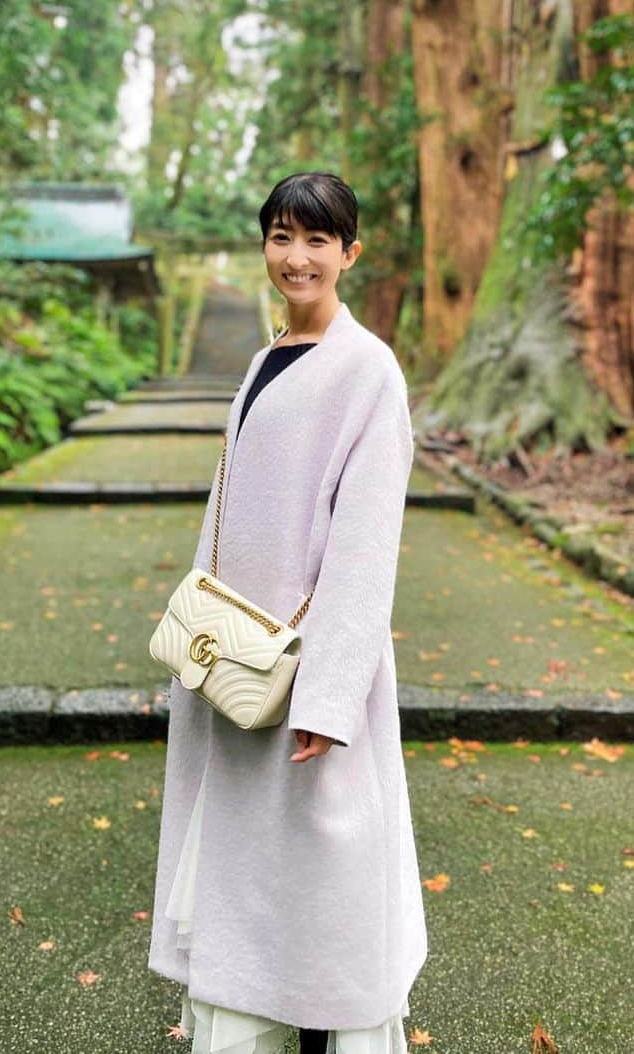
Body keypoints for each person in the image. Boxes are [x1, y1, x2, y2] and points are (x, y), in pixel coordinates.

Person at [148, 171, 428, 1053]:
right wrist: (199, 635)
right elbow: (226, 506)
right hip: (237, 662)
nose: (296, 257)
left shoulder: (368, 370)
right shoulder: (267, 356)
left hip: (308, 670)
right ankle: (247, 1022)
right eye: (280, 236)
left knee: (325, 868)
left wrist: (331, 696)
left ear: (350, 252)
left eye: (317, 240)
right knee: (246, 867)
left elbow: (365, 544)